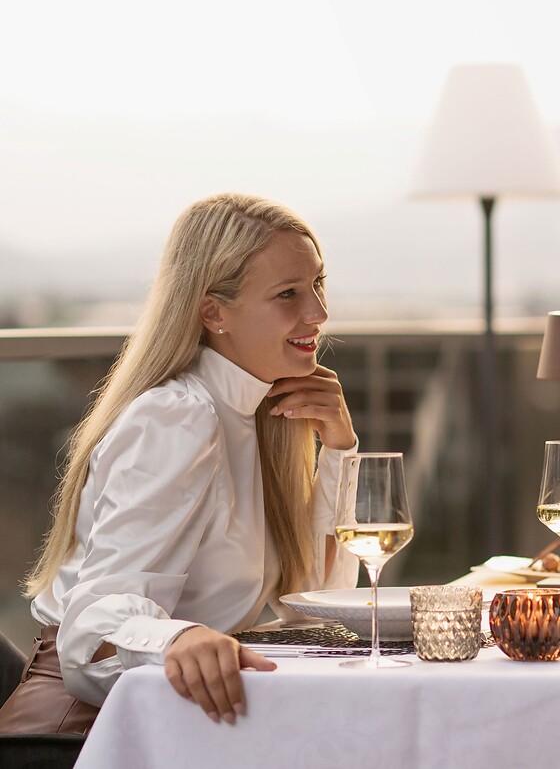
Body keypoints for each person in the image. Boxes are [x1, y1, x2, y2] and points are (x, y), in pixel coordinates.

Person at [0, 192, 358, 734]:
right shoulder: (179, 418)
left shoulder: (263, 411)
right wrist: (177, 637)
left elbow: (316, 606)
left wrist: (338, 451)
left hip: (174, 718)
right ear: (214, 312)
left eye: (317, 285)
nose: (319, 314)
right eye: (288, 293)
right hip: (82, 732)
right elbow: (87, 634)